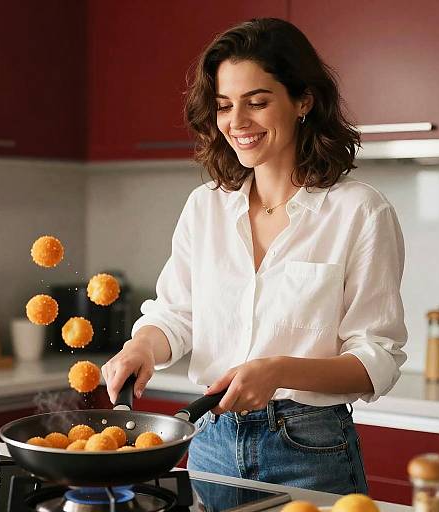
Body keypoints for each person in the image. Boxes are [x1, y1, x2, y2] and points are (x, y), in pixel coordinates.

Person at [101, 18, 407, 495]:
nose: (237, 123)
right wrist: (142, 347)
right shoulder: (205, 207)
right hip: (209, 442)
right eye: (224, 106)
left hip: (310, 448)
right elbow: (176, 316)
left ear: (303, 100)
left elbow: (376, 359)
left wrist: (280, 370)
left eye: (257, 102)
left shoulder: (359, 211)